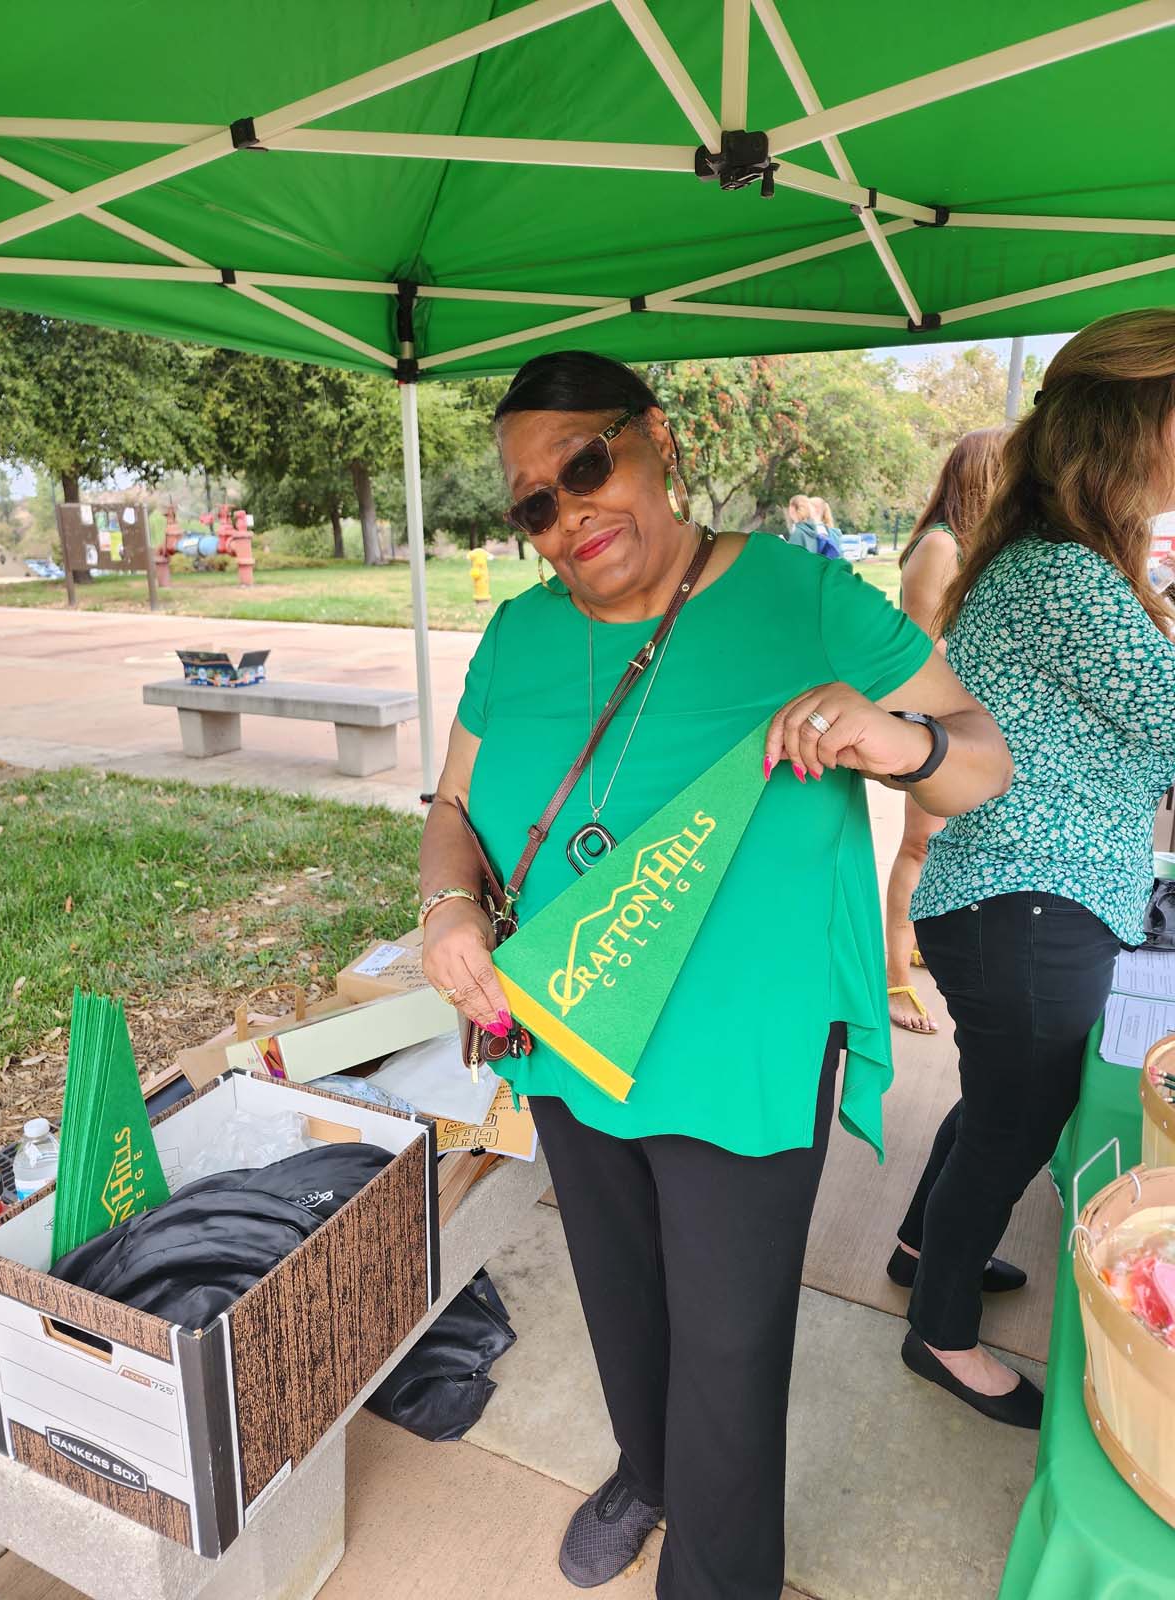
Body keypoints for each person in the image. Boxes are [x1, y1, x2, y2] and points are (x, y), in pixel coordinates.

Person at [419, 349, 1011, 1597]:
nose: (569, 513)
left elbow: (979, 759)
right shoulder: (520, 633)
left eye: (588, 464)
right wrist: (448, 905)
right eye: (534, 501)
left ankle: (717, 1566)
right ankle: (647, 1471)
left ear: (657, 440)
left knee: (731, 1355)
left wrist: (891, 737)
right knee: (621, 1297)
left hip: (743, 1050)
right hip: (570, 1029)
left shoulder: (803, 601)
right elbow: (455, 804)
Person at [893, 308, 1175, 1429]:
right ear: (1130, 428)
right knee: (1020, 1114)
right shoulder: (1066, 573)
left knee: (1000, 1099)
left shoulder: (1055, 561)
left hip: (1021, 889)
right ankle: (941, 1333)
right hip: (1029, 893)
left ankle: (924, 1247)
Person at [885, 429, 1009, 1034]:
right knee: (919, 846)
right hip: (930, 722)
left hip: (955, 723)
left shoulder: (967, 545)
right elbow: (918, 651)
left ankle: (913, 944)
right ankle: (894, 982)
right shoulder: (941, 545)